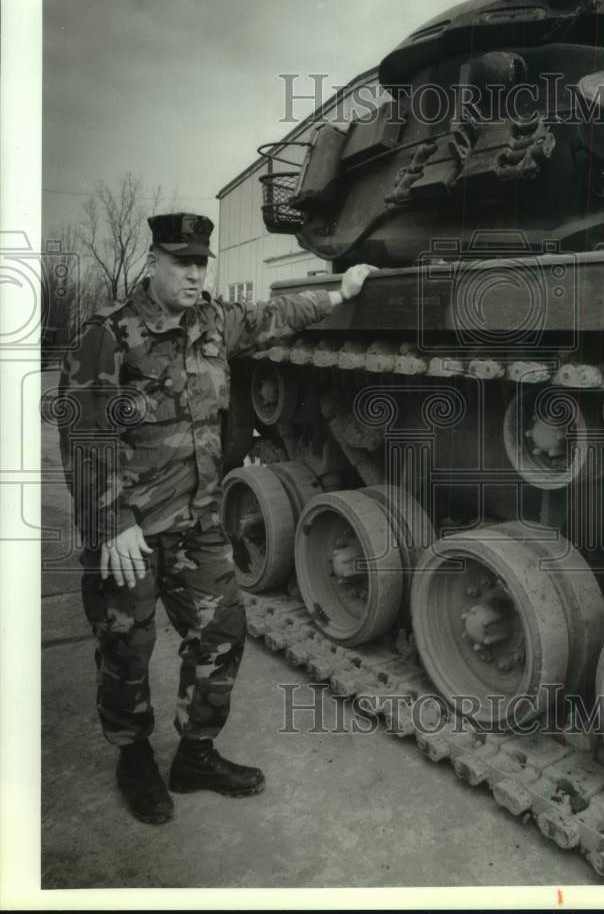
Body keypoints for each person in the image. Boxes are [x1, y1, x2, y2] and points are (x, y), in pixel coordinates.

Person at [58, 212, 374, 825]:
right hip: (131, 533)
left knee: (223, 634)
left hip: (198, 525)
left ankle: (195, 753)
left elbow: (276, 317)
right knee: (127, 647)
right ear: (153, 262)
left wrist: (342, 291)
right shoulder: (109, 335)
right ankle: (134, 757)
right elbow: (84, 434)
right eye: (181, 262)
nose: (194, 274)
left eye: (201, 263)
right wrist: (113, 520)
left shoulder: (213, 322)